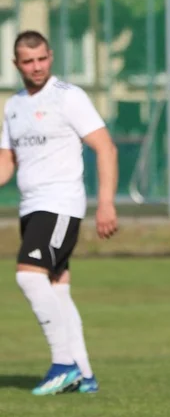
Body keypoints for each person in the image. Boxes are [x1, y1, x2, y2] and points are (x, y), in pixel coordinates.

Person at [0, 30, 118, 395]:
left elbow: (105, 148)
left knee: (28, 276)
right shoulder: (14, 106)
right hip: (31, 206)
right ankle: (83, 373)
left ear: (51, 56)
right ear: (16, 64)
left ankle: (63, 363)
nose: (36, 67)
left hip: (61, 204)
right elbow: (7, 161)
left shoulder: (69, 97)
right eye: (28, 61)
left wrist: (106, 203)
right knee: (56, 288)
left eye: (42, 59)